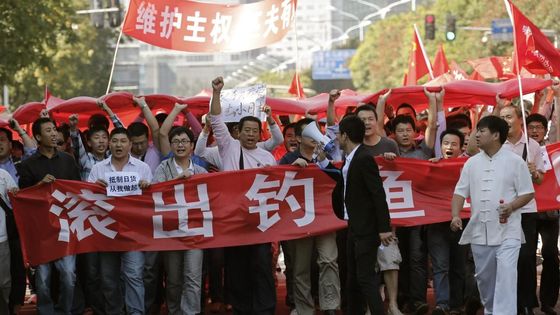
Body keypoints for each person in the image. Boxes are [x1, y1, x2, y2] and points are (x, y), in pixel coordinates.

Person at [451, 115, 535, 315]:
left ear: (496, 135)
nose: (476, 135)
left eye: (481, 131)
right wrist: (455, 215)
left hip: (509, 232)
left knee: (506, 276)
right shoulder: (471, 163)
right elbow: (459, 192)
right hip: (480, 232)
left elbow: (528, 192)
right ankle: (490, 309)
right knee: (485, 280)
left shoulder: (516, 162)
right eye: (477, 130)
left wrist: (512, 206)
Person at [209, 76, 277, 314]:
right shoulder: (228, 146)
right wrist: (216, 93)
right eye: (246, 130)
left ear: (261, 134)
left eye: (255, 131)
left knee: (261, 264)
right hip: (233, 219)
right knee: (236, 266)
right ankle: (241, 308)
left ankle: (265, 308)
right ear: (238, 133)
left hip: (259, 221)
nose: (250, 134)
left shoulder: (268, 158)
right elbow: (215, 119)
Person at [320, 114, 392, 315]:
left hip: (366, 229)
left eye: (338, 135)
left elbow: (378, 194)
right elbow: (343, 179)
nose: (336, 139)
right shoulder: (351, 159)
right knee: (352, 278)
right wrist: (323, 163)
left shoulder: (364, 158)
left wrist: (384, 228)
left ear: (345, 136)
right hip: (353, 226)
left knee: (365, 278)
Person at [17, 117, 81, 315]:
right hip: (41, 231)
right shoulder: (28, 165)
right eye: (48, 131)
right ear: (37, 136)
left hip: (64, 228)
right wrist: (39, 187)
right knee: (43, 280)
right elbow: (23, 197)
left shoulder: (68, 161)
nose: (54, 134)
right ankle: (46, 311)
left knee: (69, 275)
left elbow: (78, 190)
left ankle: (64, 310)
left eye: (54, 129)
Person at [88, 127, 152, 315]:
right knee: (108, 280)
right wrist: (95, 188)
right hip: (107, 231)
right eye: (114, 141)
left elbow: (152, 201)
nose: (118, 145)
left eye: (123, 141)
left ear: (130, 145)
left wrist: (147, 188)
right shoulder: (98, 169)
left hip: (133, 233)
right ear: (109, 143)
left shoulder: (143, 168)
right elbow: (87, 200)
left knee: (133, 276)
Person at [279, 118, 340, 315]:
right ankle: (304, 309)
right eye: (309, 133)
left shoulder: (326, 156)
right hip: (300, 220)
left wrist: (323, 160)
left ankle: (330, 305)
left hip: (326, 218)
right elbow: (278, 186)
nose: (315, 136)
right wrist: (290, 171)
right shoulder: (287, 160)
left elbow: (338, 178)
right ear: (298, 138)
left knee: (329, 259)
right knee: (301, 268)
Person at [153, 126, 207, 315]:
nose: (180, 145)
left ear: (192, 146)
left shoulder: (201, 171)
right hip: (171, 232)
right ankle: (174, 311)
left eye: (184, 141)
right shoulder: (162, 168)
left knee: (193, 277)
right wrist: (177, 179)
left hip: (195, 233)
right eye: (175, 142)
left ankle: (191, 312)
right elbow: (156, 194)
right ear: (171, 145)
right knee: (174, 279)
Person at [496, 103, 545, 315]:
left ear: (519, 118)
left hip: (526, 210)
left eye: (508, 116)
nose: (505, 120)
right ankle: (512, 303)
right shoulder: (497, 144)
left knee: (526, 257)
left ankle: (528, 303)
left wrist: (534, 172)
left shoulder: (533, 146)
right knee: (508, 258)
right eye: (502, 116)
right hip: (504, 210)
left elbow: (541, 180)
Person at [427, 129, 469, 315]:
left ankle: (456, 304)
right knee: (440, 266)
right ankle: (442, 304)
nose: (449, 147)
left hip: (462, 222)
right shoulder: (430, 166)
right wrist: (429, 169)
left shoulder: (469, 166)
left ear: (461, 148)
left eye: (453, 144)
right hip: (437, 224)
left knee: (459, 266)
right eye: (445, 143)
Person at [526, 113, 558, 315]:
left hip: (550, 214)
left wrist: (556, 96)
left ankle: (548, 301)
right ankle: (529, 302)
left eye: (539, 127)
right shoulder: (520, 149)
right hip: (527, 211)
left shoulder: (552, 149)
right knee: (527, 257)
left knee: (550, 255)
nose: (535, 131)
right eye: (531, 127)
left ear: (545, 130)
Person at [0, 167, 18, 314]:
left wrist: (14, 194)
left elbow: (17, 200)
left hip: (1, 238)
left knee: (4, 283)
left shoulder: (3, 175)